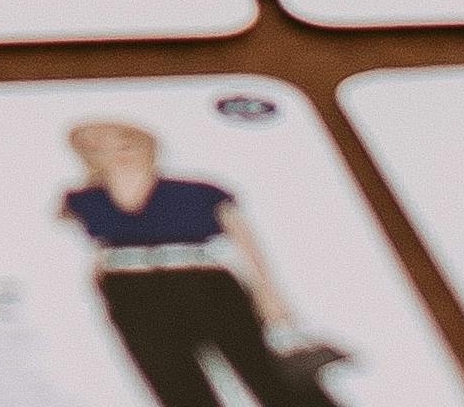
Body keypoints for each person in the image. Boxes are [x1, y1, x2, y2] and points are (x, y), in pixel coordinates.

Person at [53, 119, 309, 407]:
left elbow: (247, 245)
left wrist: (269, 297)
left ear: (145, 143)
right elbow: (82, 250)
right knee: (176, 388)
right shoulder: (83, 200)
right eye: (99, 147)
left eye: (125, 143)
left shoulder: (200, 191)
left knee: (265, 372)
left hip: (203, 283)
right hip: (130, 292)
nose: (117, 153)